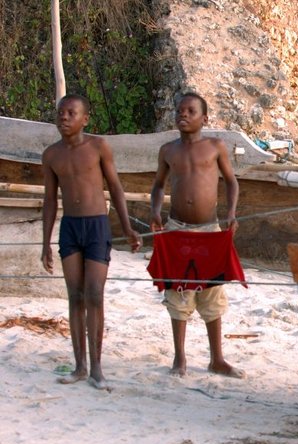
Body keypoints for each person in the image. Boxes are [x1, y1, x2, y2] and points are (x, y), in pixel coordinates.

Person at [41, 93, 141, 390]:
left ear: (85, 119)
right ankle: (79, 366)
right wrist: (45, 242)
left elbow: (116, 188)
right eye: (60, 112)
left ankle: (97, 368)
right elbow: (49, 200)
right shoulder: (51, 155)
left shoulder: (98, 147)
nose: (64, 117)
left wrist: (126, 228)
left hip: (97, 226)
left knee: (95, 294)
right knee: (75, 296)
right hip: (70, 227)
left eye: (71, 113)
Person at [150, 92, 244, 379]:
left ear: (204, 118)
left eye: (191, 111)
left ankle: (217, 359)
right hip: (177, 228)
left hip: (209, 230)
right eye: (180, 110)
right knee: (178, 291)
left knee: (212, 292)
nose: (184, 115)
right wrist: (155, 210)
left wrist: (231, 213)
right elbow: (158, 185)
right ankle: (180, 359)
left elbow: (231, 182)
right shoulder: (168, 150)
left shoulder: (215, 147)